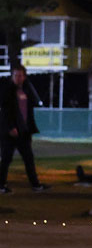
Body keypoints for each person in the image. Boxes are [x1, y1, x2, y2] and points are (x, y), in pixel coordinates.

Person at [0, 65, 49, 193]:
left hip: (24, 132)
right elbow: (4, 112)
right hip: (10, 133)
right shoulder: (7, 91)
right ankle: (1, 185)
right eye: (15, 75)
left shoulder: (26, 90)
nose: (18, 78)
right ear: (12, 76)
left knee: (29, 159)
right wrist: (10, 127)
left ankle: (35, 185)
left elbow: (29, 110)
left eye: (20, 75)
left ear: (24, 76)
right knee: (5, 159)